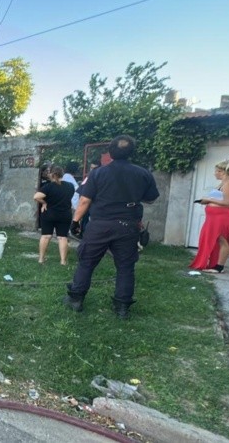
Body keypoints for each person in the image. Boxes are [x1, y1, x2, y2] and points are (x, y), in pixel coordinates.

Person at [63, 135, 159, 319]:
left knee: (87, 262)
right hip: (128, 226)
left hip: (100, 225)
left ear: (111, 152)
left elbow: (84, 200)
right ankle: (122, 308)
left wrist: (75, 222)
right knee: (125, 266)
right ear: (132, 152)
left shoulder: (98, 173)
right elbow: (151, 198)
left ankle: (76, 300)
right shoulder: (143, 173)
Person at [189, 160, 229, 273]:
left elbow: (228, 203)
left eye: (216, 171)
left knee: (222, 240)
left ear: (222, 172)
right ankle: (213, 263)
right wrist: (205, 202)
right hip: (215, 217)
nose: (215, 173)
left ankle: (218, 267)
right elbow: (219, 200)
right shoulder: (223, 183)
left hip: (223, 217)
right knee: (214, 239)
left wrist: (208, 199)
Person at [34, 166, 75, 265]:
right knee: (62, 237)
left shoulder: (48, 186)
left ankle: (41, 259)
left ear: (52, 174)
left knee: (46, 236)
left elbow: (36, 197)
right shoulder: (70, 186)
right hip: (65, 214)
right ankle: (63, 261)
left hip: (49, 214)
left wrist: (44, 203)